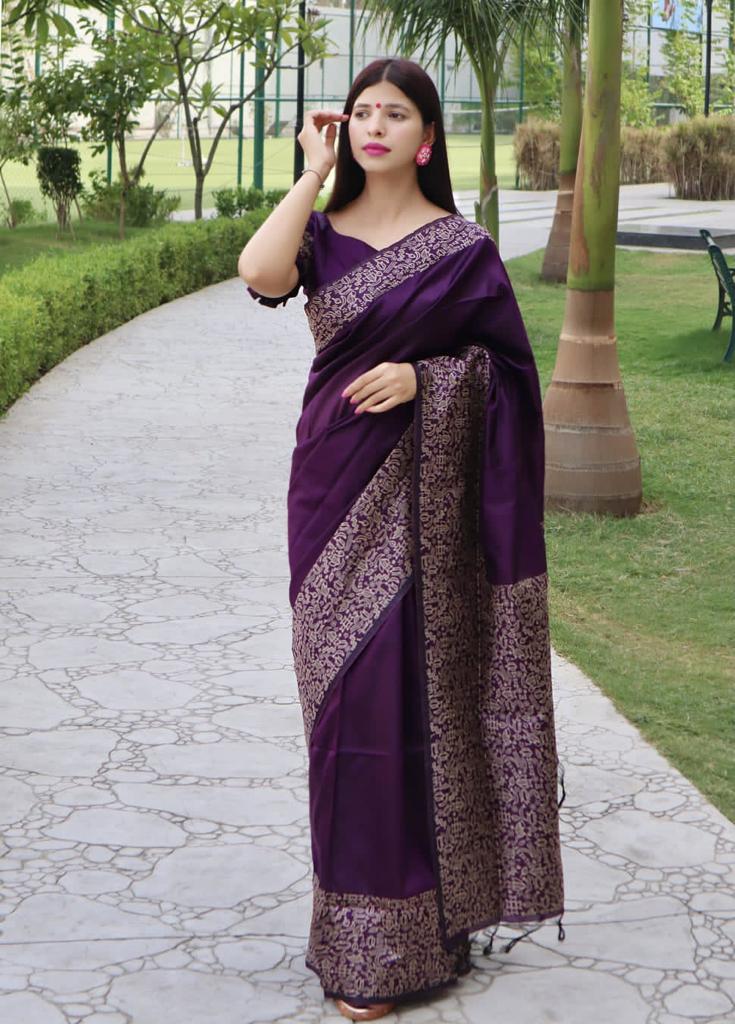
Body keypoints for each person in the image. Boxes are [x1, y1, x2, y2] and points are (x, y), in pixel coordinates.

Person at [238, 57, 566, 1023]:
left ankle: (410, 939)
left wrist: (430, 380)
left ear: (426, 138)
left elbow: (510, 379)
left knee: (408, 703)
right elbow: (258, 274)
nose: (375, 126)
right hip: (329, 488)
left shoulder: (461, 248)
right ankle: (356, 934)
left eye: (396, 114)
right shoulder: (322, 233)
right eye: (362, 112)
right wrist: (312, 171)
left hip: (428, 513)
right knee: (342, 713)